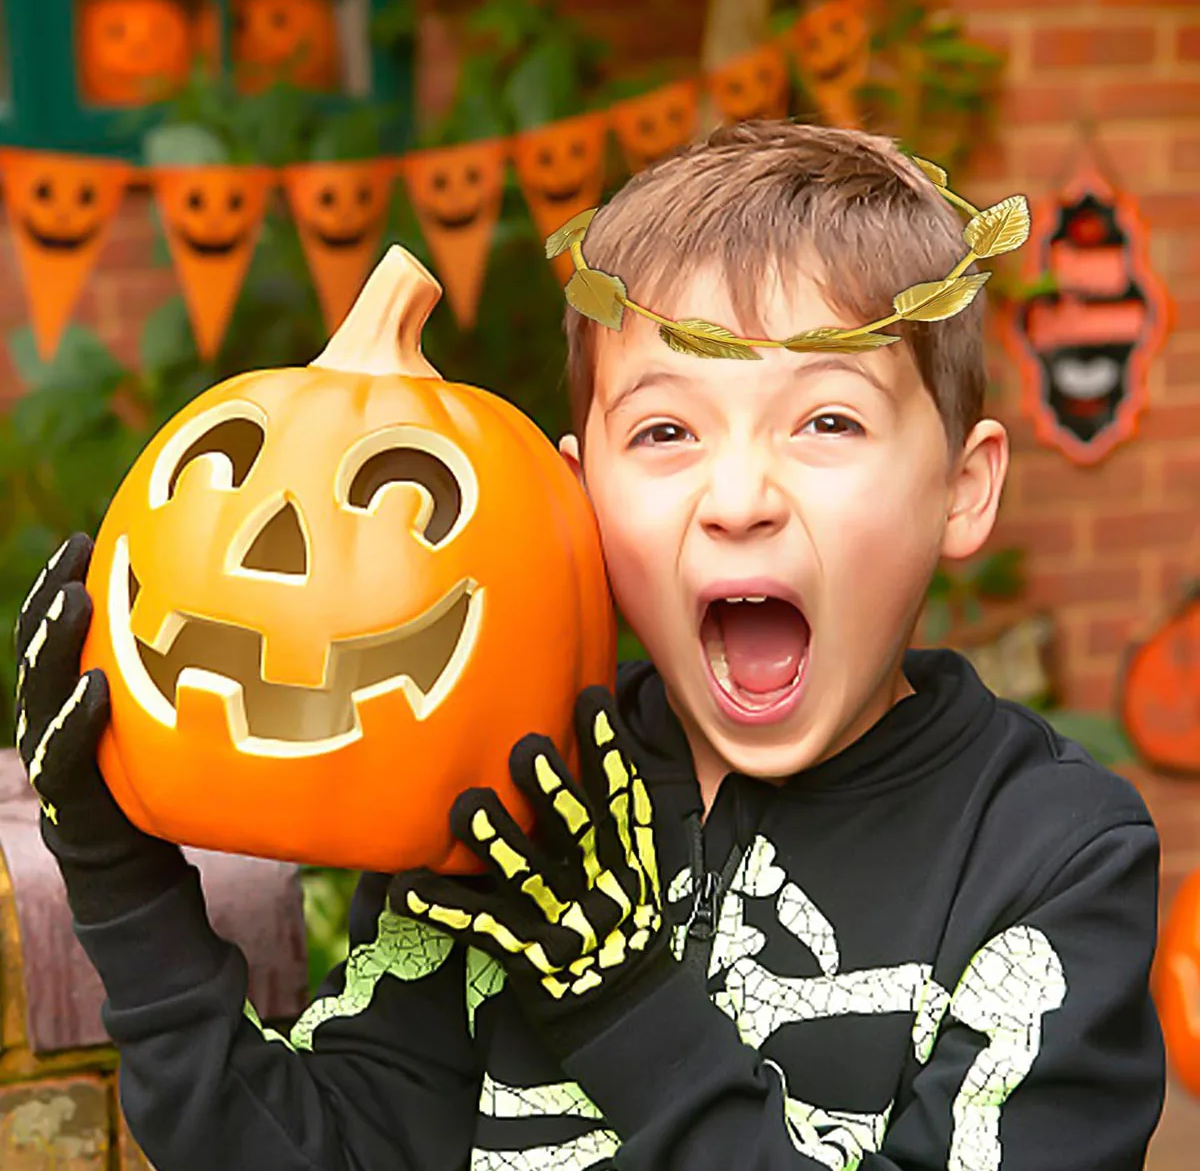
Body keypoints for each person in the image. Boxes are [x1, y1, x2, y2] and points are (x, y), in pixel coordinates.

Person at [13, 121, 1164, 1171]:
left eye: (827, 421)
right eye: (667, 429)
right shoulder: (507, 811)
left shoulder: (1052, 861)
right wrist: (124, 884)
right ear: (576, 504)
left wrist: (624, 1007)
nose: (740, 497)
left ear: (963, 490)